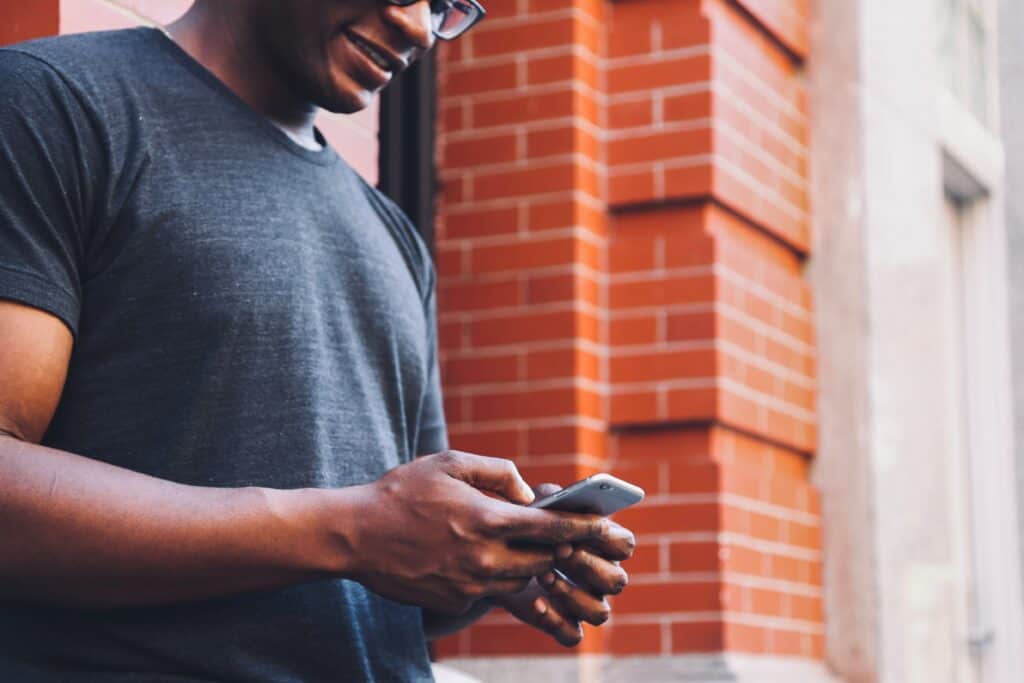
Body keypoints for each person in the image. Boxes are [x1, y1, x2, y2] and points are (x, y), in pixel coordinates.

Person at [0, 1, 636, 681]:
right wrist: (351, 530)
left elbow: (379, 566)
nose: (421, 28)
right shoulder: (51, 103)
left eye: (446, 5)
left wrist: (487, 561)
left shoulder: (393, 236)